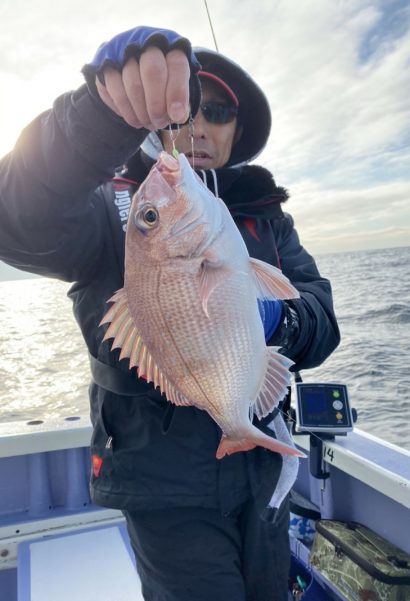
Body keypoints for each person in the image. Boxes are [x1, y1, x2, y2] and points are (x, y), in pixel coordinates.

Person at [0, 27, 340, 601]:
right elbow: (20, 217)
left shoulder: (265, 218)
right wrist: (98, 117)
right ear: (158, 119)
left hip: (262, 471)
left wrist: (278, 321)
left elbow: (322, 320)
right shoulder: (114, 208)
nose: (202, 125)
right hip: (162, 484)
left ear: (239, 130)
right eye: (190, 108)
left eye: (221, 111)